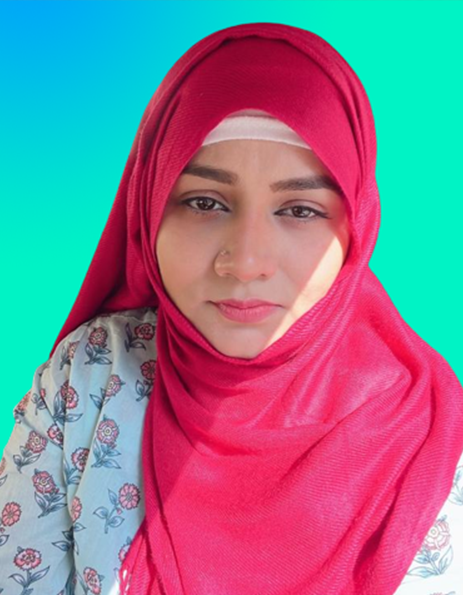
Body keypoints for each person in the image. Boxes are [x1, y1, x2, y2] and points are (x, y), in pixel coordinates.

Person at [1, 21, 462, 595]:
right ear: (148, 208)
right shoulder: (92, 378)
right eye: (204, 202)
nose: (245, 263)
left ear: (356, 226)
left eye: (300, 210)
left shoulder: (431, 443)